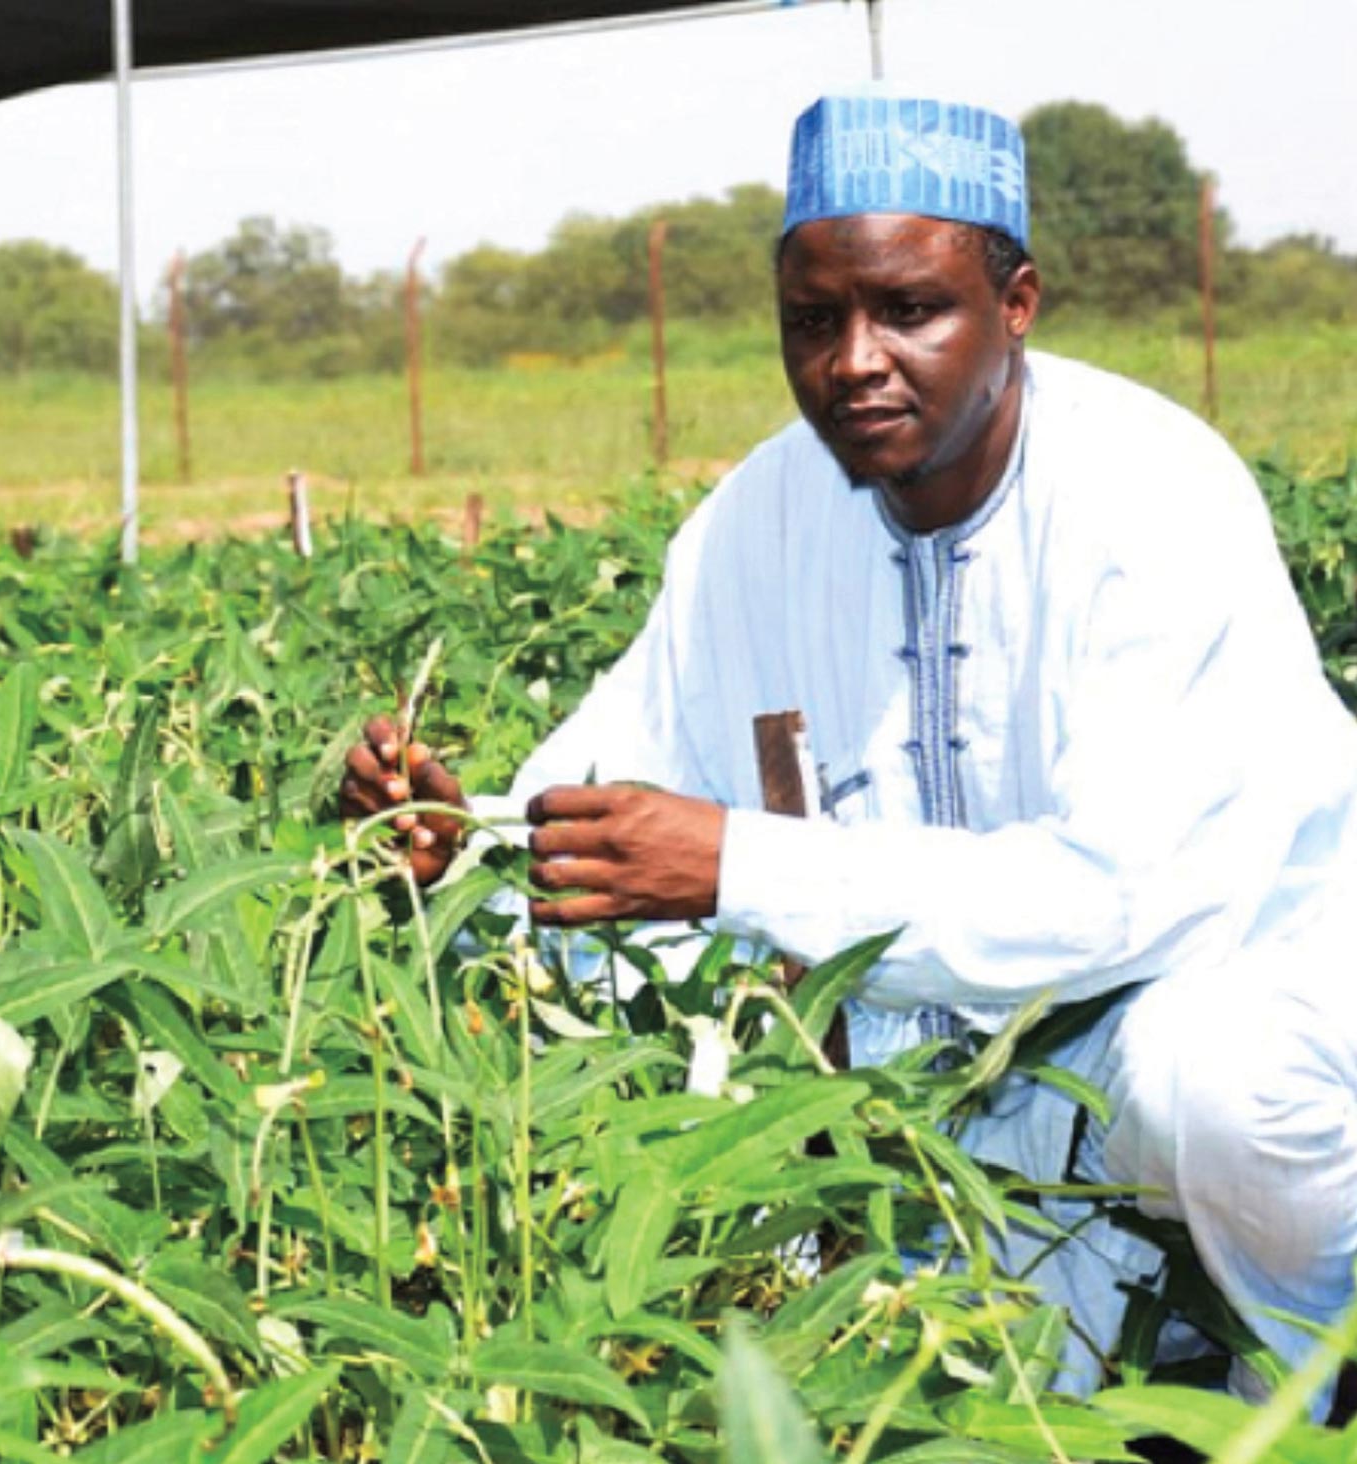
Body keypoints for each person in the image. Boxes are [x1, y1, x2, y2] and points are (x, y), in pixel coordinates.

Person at [340, 91, 1357, 1399]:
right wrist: (463, 842)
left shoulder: (1151, 499)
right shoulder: (758, 522)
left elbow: (1114, 897)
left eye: (910, 311)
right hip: (956, 1075)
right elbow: (615, 784)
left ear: (1019, 303)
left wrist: (745, 868)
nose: (855, 359)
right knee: (1000, 1381)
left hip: (1226, 1004)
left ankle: (1322, 1396)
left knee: (1223, 1090)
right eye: (814, 322)